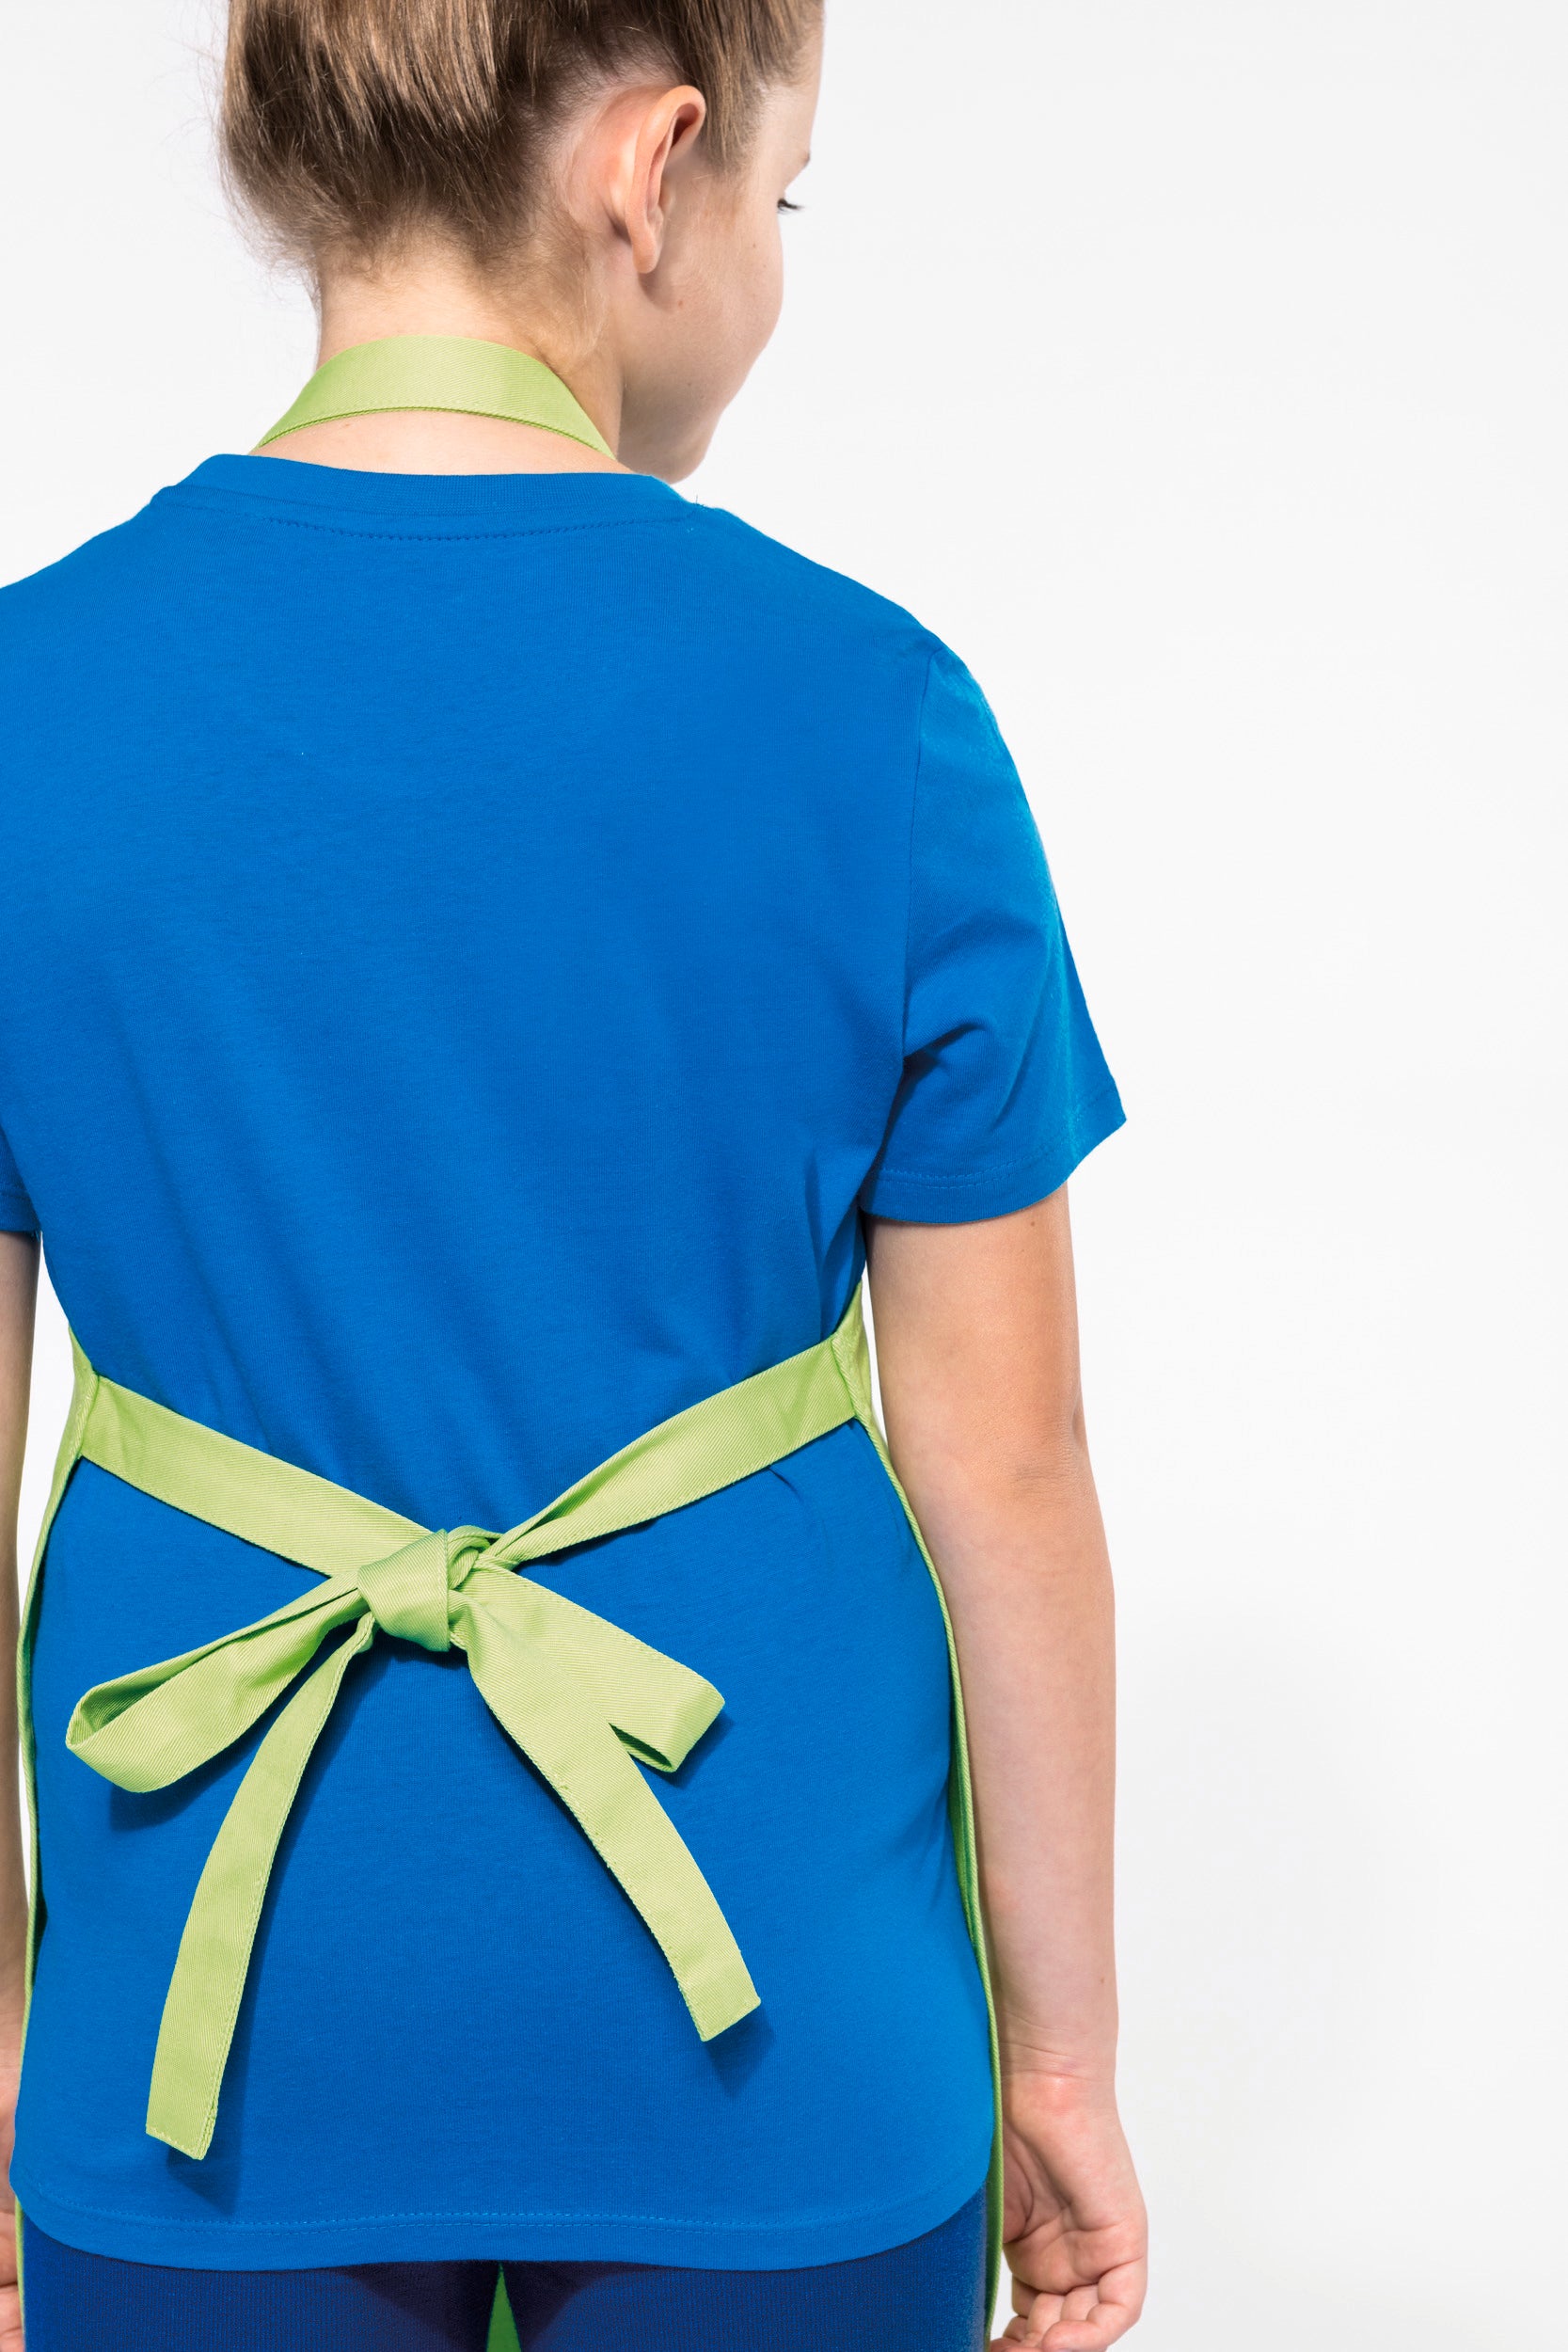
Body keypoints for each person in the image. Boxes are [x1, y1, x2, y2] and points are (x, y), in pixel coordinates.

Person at [0, 2, 1147, 2345]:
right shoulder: (877, 715)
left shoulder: (27, 709)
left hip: (194, 2048)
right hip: (782, 2047)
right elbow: (1006, 1466)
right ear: (653, 167)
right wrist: (1063, 2064)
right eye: (781, 198)